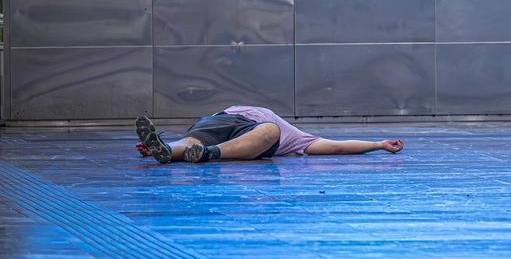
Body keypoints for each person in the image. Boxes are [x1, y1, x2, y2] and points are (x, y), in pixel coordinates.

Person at [134, 108, 404, 164]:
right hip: (223, 118)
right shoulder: (297, 136)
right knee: (192, 139)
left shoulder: (299, 140)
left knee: (270, 131)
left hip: (255, 132)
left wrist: (378, 144)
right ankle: (167, 149)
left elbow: (338, 147)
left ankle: (207, 154)